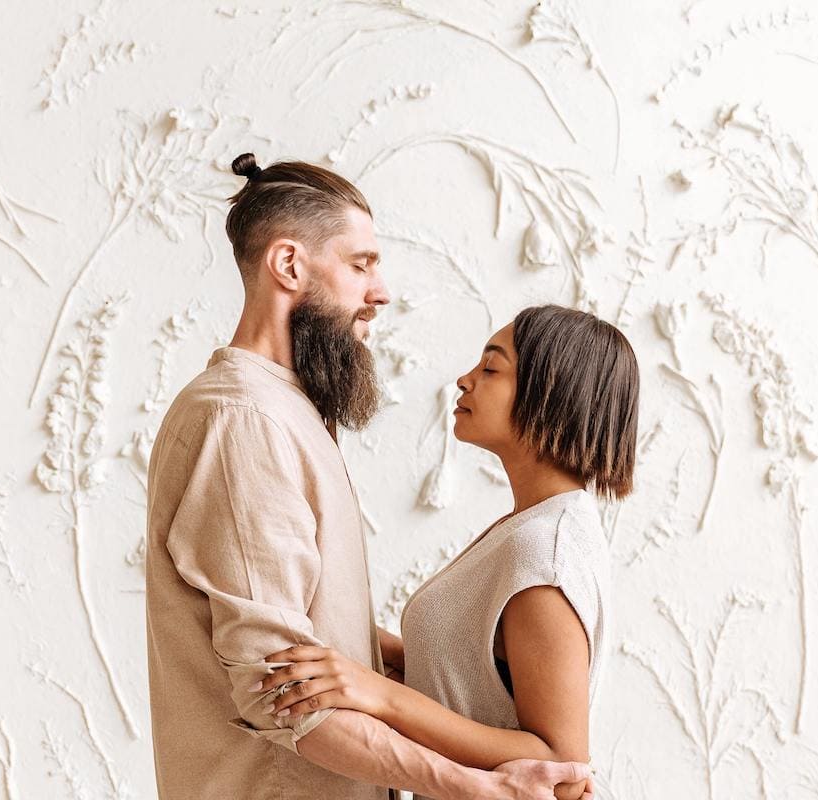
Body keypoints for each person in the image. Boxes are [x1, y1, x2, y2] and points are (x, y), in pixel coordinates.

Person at [144, 153, 593, 800]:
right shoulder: (244, 421)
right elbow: (283, 693)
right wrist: (472, 787)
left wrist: (432, 657)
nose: (380, 292)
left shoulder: (287, 412)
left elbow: (311, 638)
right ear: (289, 264)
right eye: (361, 265)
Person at [258, 306, 641, 800]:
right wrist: (339, 633)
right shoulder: (532, 526)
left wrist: (380, 695)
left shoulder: (547, 550)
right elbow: (475, 676)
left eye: (491, 368)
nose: (464, 380)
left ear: (552, 393)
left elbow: (558, 759)